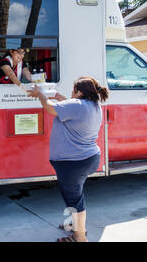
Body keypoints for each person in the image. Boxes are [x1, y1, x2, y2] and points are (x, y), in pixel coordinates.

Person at [28, 76, 109, 242]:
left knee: (74, 200)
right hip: (87, 158)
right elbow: (73, 110)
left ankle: (79, 236)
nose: (71, 92)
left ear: (79, 92)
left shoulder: (77, 106)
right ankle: (75, 224)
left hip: (73, 163)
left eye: (73, 90)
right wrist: (59, 97)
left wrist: (40, 94)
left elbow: (50, 108)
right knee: (76, 195)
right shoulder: (92, 105)